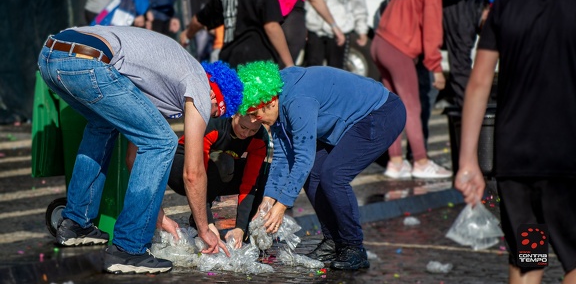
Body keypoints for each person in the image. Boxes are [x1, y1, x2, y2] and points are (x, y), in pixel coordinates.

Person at [37, 27, 243, 274]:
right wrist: (204, 228)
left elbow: (133, 157)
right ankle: (128, 249)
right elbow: (193, 172)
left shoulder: (164, 81)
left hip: (51, 55)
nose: (207, 119)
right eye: (215, 113)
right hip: (88, 60)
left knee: (103, 125)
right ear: (214, 94)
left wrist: (160, 217)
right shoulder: (199, 82)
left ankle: (76, 223)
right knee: (163, 141)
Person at [456, 0, 576, 284]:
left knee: (530, 258)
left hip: (517, 162)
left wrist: (468, 162)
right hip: (568, 160)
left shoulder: (505, 6)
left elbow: (478, 84)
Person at [237, 61, 406, 270]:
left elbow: (303, 158)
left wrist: (282, 206)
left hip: (381, 113)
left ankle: (354, 247)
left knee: (334, 175)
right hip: (356, 117)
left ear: (270, 102)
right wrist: (268, 200)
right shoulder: (277, 98)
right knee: (315, 173)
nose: (254, 121)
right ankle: (334, 240)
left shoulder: (298, 101)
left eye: (256, 115)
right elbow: (281, 156)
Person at [370, 0, 480, 179]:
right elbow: (432, 32)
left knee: (392, 105)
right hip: (398, 48)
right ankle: (420, 161)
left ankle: (396, 162)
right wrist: (436, 68)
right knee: (411, 106)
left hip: (380, 43)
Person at [159, 114, 269, 249]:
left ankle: (248, 230)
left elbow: (249, 184)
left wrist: (240, 227)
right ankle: (199, 219)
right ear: (235, 115)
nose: (246, 134)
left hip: (216, 174)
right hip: (182, 169)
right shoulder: (214, 125)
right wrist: (207, 224)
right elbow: (196, 177)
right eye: (243, 127)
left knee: (266, 171)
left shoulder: (260, 138)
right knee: (224, 163)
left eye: (253, 130)